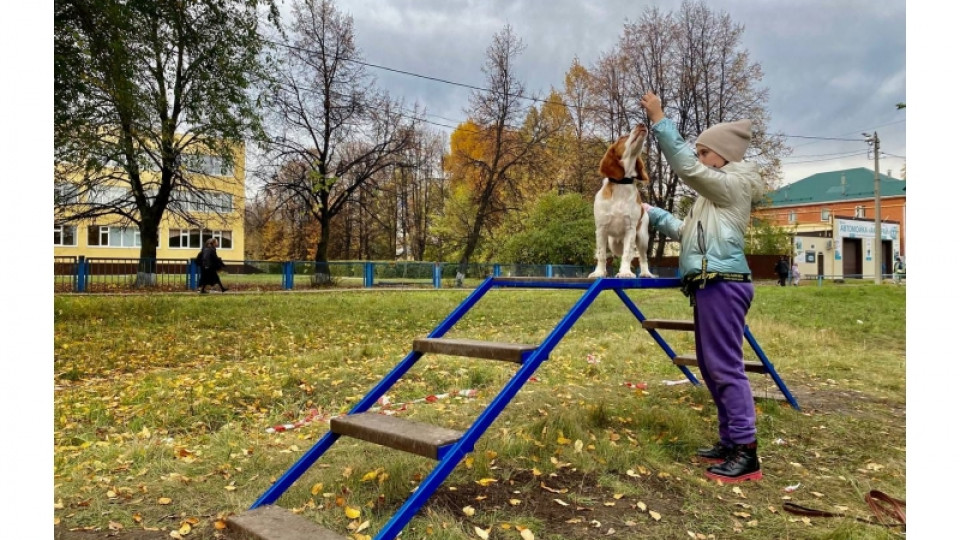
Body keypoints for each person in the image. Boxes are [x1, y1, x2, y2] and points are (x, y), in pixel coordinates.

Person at [639, 91, 764, 483]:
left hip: (724, 284)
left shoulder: (732, 186)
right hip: (711, 285)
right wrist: (652, 213)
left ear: (723, 156)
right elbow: (685, 232)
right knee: (712, 367)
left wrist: (659, 119)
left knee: (725, 367)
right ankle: (730, 442)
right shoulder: (710, 203)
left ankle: (747, 452)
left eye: (704, 152)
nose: (700, 159)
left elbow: (689, 170)